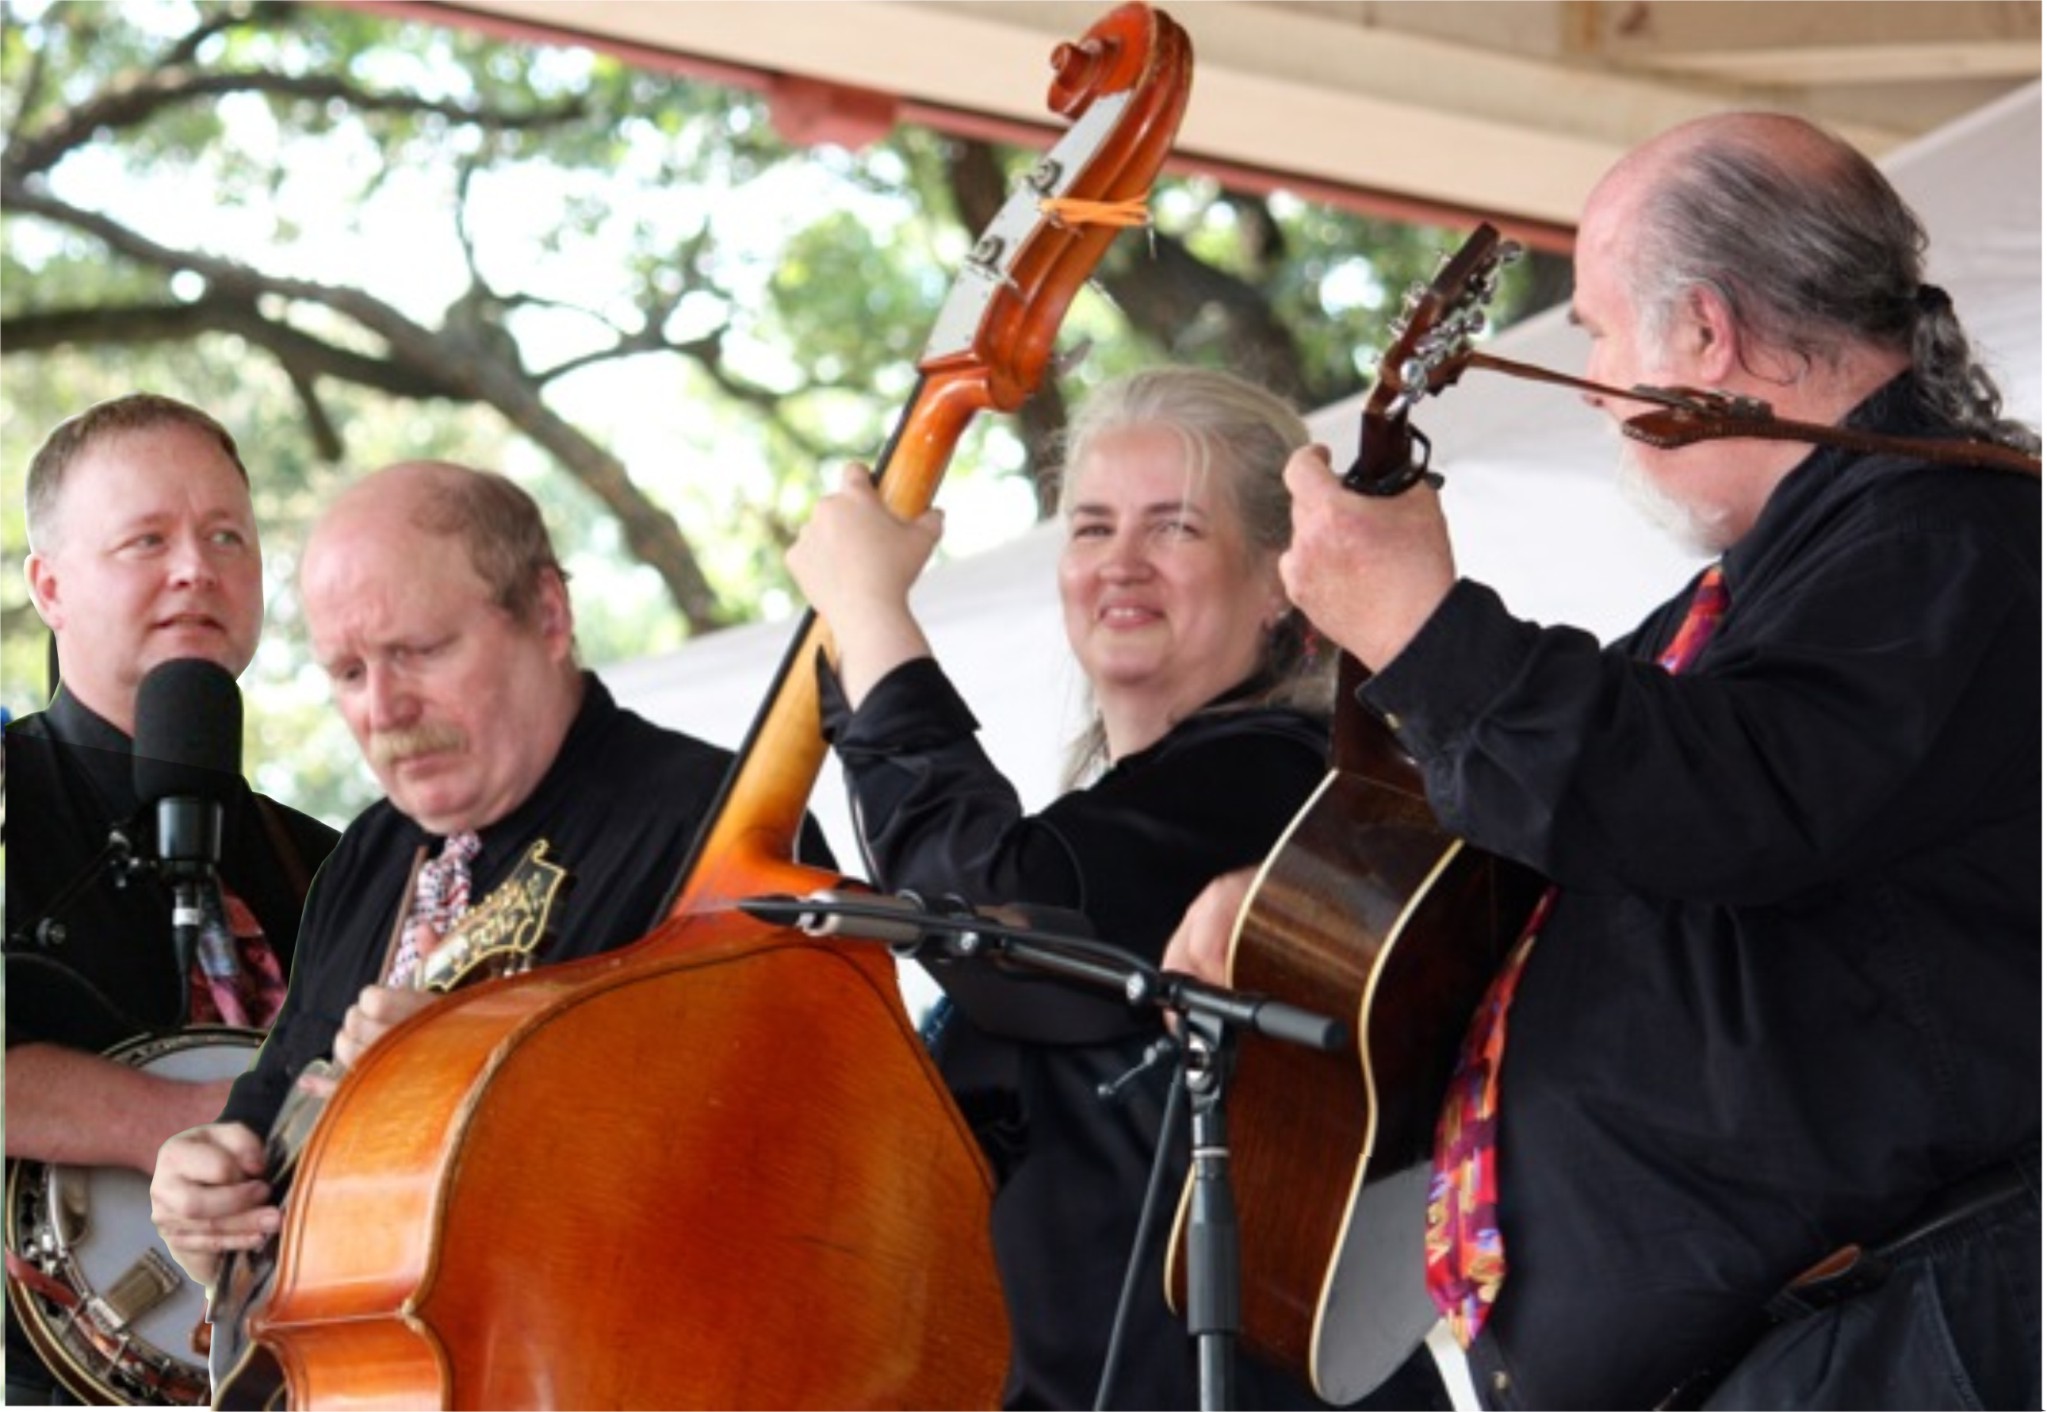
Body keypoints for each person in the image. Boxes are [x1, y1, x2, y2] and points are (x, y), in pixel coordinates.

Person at [1169, 112, 2040, 1409]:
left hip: (1876, 1339)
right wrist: (1303, 917)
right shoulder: (1760, 594)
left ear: (1702, 333)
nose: (1589, 381)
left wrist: (1424, 627)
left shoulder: (1957, 543)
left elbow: (1721, 799)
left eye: (1595, 327)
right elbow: (1555, 826)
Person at [788, 368, 1443, 1410]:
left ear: (1279, 578)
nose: (1120, 565)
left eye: (1174, 528)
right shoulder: (1134, 810)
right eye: (1090, 528)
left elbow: (993, 918)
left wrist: (867, 611)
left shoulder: (1275, 775)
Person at [148, 459, 832, 1294]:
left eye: (419, 651)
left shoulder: (725, 828)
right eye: (350, 673)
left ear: (547, 614)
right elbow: (273, 1105)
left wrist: (482, 1091)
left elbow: (798, 1179)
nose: (384, 710)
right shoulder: (365, 857)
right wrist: (207, 1190)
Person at [4, 394, 340, 1406]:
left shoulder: (333, 858)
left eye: (227, 535)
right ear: (50, 586)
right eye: (146, 538)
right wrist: (211, 1118)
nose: (197, 566)